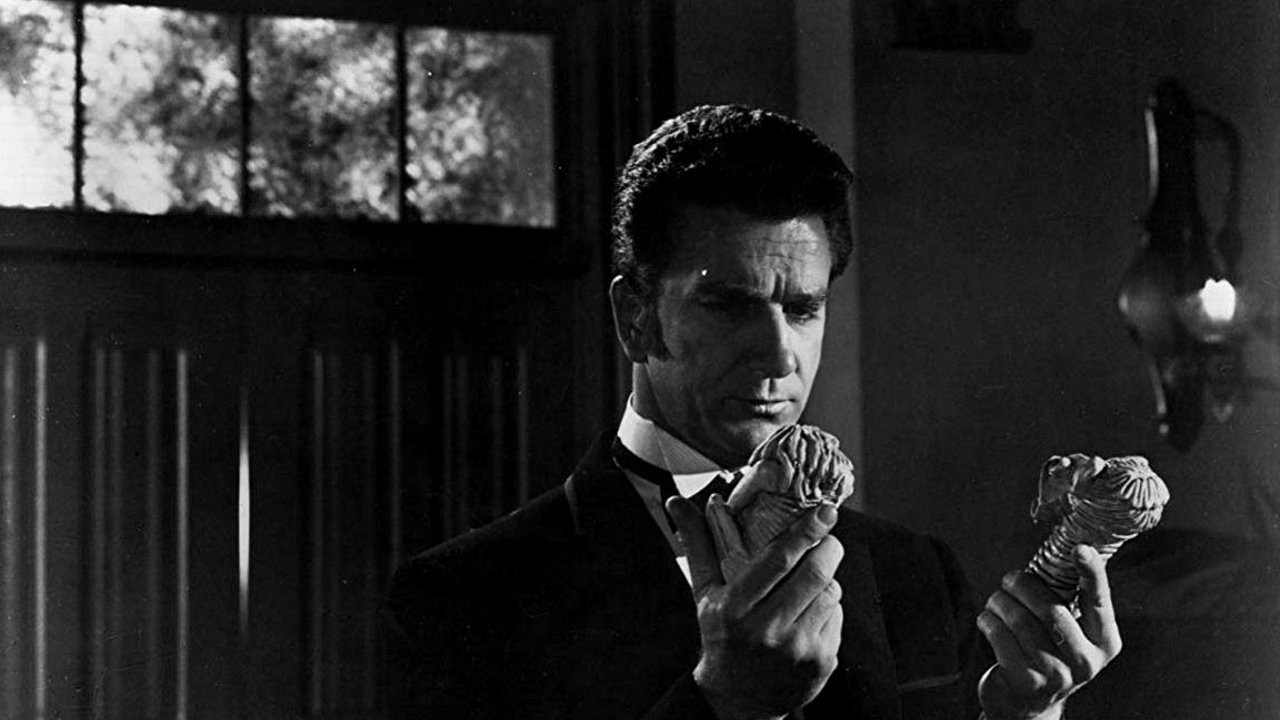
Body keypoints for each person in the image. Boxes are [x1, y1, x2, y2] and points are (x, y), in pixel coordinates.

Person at [383, 104, 1120, 720]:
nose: (777, 356)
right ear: (635, 318)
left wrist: (1023, 717)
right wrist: (723, 708)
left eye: (802, 309)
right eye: (730, 305)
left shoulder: (916, 574)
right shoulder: (463, 599)